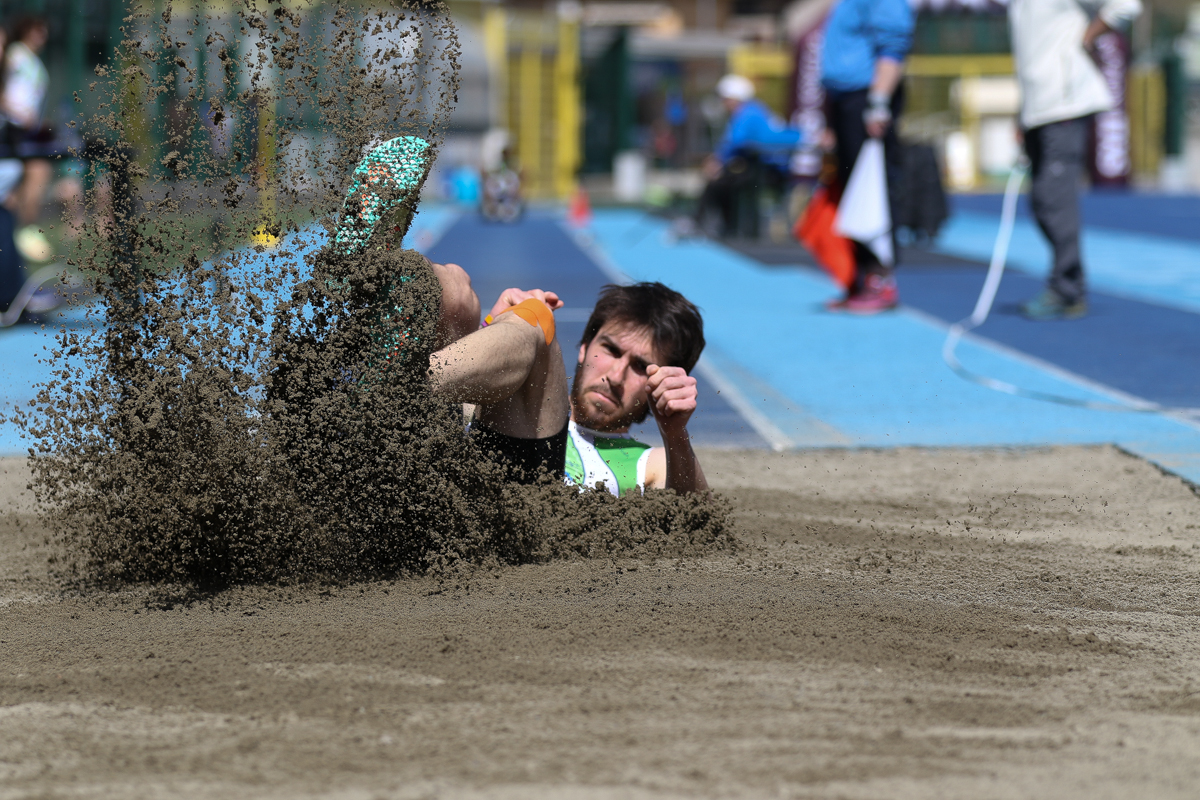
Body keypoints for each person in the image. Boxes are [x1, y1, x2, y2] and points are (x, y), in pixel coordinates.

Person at [427, 274, 708, 495]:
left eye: (640, 367)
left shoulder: (650, 463)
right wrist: (497, 331)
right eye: (611, 350)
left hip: (516, 513)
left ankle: (410, 386)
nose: (616, 375)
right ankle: (410, 383)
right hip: (441, 476)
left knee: (537, 317)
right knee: (455, 287)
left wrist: (675, 433)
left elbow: (697, 524)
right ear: (585, 347)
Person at [1010, 0, 1142, 321]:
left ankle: (1067, 289)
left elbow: (1127, 5)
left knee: (1054, 199)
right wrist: (1022, 113)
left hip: (1065, 104)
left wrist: (1088, 36)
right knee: (1041, 203)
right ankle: (1069, 284)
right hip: (1037, 110)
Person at [819, 0, 914, 314]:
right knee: (853, 195)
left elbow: (893, 47)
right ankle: (860, 280)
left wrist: (878, 102)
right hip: (846, 100)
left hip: (865, 100)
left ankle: (880, 281)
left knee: (873, 193)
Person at [693, 74, 802, 238]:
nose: (723, 103)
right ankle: (721, 225)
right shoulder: (752, 111)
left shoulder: (748, 113)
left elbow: (735, 141)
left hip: (768, 170)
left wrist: (719, 160)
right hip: (762, 167)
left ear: (735, 99)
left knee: (720, 183)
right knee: (723, 181)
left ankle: (720, 226)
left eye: (725, 99)